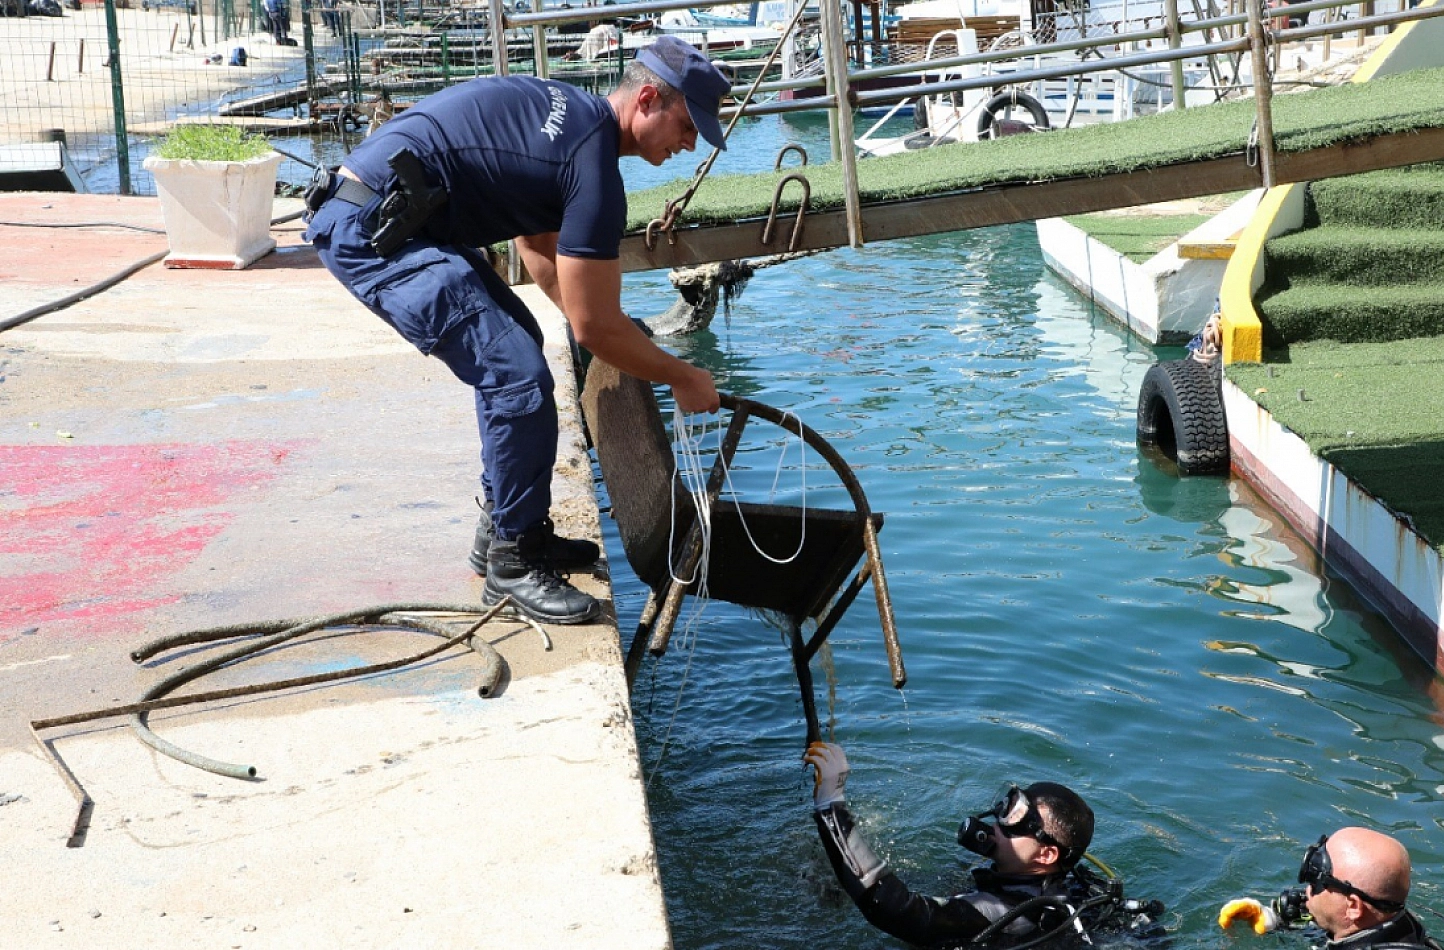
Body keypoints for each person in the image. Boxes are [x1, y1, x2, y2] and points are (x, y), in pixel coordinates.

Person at [303, 36, 727, 624]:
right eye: (687, 125)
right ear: (649, 98)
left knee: (518, 344)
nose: (691, 143)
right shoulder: (593, 166)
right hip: (374, 229)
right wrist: (678, 374)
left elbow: (536, 245)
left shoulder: (575, 123)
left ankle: (507, 529)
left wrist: (607, 330)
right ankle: (512, 563)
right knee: (517, 377)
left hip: (397, 215)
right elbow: (592, 327)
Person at [804, 741, 1160, 947]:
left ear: (1046, 854)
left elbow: (898, 911)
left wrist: (830, 805)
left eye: (1017, 820)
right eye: (1008, 805)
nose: (999, 820)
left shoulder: (1010, 914)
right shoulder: (1059, 881)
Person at [1219, 827, 1444, 949]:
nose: (1307, 891)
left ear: (1353, 906)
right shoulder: (1408, 930)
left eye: (1318, 882)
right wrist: (1274, 920)